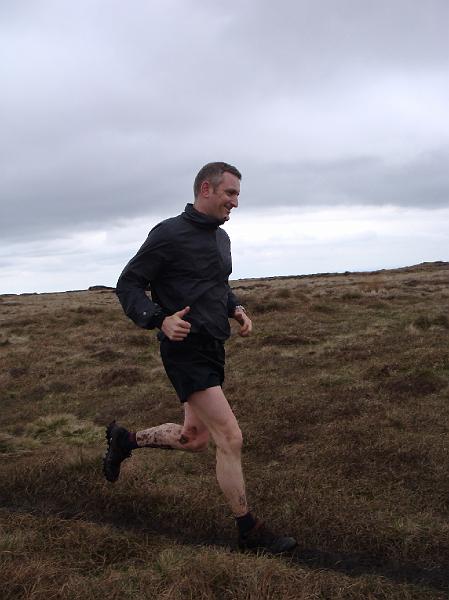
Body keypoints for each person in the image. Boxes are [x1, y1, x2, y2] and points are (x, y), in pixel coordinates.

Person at [104, 161, 297, 554]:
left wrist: (236, 308)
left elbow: (216, 285)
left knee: (194, 438)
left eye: (238, 195)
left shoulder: (220, 239)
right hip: (184, 349)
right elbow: (128, 284)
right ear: (206, 189)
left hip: (213, 346)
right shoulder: (168, 234)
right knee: (231, 437)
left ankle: (126, 440)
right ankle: (249, 532)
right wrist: (159, 319)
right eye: (230, 193)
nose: (236, 203)